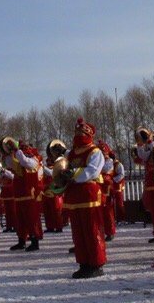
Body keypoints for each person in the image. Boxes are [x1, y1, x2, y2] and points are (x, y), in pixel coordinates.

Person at [62, 117, 107, 279]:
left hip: (89, 194)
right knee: (78, 232)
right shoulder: (71, 153)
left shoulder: (95, 151)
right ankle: (83, 263)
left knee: (91, 230)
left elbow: (93, 171)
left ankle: (96, 263)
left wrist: (72, 174)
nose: (78, 134)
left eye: (82, 132)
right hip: (75, 195)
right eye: (77, 131)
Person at [7, 139, 44, 251]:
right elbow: (10, 163)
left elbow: (24, 161)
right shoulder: (20, 160)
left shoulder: (34, 160)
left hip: (30, 194)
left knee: (31, 219)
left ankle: (34, 241)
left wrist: (17, 150)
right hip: (20, 193)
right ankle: (21, 240)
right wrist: (9, 152)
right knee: (20, 219)